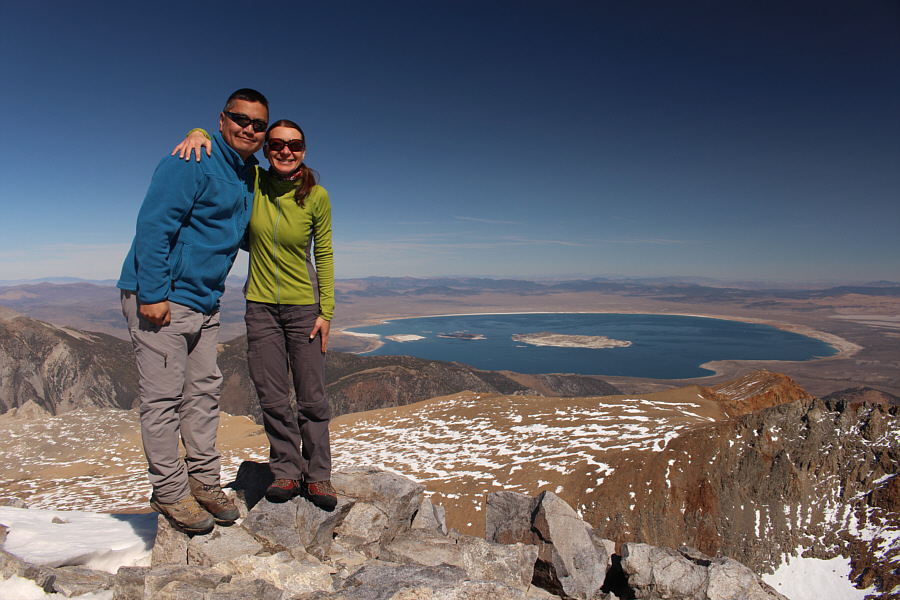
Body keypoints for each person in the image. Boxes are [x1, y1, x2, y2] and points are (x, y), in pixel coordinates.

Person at [118, 88, 269, 533]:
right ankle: (169, 492)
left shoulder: (249, 175)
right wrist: (152, 293)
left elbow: (243, 231)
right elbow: (154, 224)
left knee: (203, 393)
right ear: (222, 119)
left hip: (205, 301)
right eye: (240, 119)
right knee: (163, 400)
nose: (249, 129)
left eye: (258, 124)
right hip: (164, 297)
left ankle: (203, 481)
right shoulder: (192, 159)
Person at [175, 119, 337, 511]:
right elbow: (227, 152)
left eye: (294, 145)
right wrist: (200, 134)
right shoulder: (255, 181)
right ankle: (286, 470)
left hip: (304, 308)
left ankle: (318, 476)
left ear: (303, 150)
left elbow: (324, 252)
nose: (285, 151)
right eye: (277, 144)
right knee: (272, 395)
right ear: (267, 150)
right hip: (260, 307)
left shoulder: (317, 196)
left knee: (312, 396)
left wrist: (326, 311)